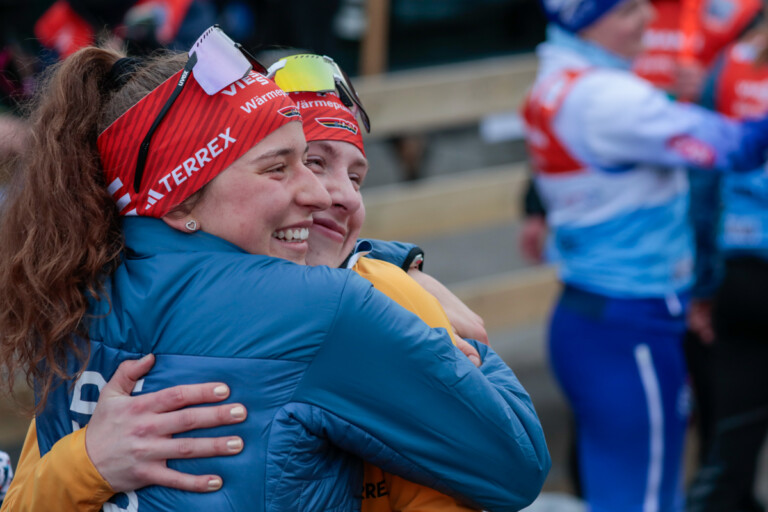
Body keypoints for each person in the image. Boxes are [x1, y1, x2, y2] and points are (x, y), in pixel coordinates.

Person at [0, 27, 549, 512]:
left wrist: (83, 465)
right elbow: (518, 465)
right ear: (179, 200)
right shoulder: (333, 307)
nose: (325, 194)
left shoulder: (70, 289)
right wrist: (390, 281)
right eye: (287, 166)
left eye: (357, 177)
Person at [523, 0, 768, 510]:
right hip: (630, 325)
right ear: (585, 19)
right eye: (629, 9)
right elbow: (738, 146)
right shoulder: (608, 98)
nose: (648, 21)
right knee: (648, 502)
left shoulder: (560, 76)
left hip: (597, 315)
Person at [683, 19, 768, 512]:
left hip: (740, 275)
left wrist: (703, 285)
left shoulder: (732, 62)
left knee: (728, 450)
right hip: (743, 276)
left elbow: (705, 180)